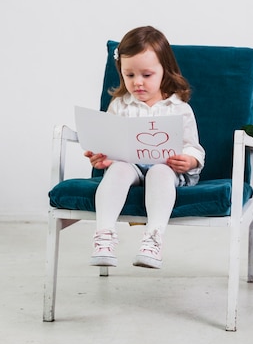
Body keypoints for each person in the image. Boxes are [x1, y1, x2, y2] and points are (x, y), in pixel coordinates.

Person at [84, 26, 205, 269]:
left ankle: (153, 239)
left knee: (160, 172)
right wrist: (102, 157)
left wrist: (189, 160)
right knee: (118, 169)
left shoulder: (178, 107)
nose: (137, 83)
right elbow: (110, 143)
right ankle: (104, 236)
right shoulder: (120, 105)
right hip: (131, 168)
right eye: (129, 76)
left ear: (164, 72)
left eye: (147, 75)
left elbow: (194, 147)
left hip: (168, 170)